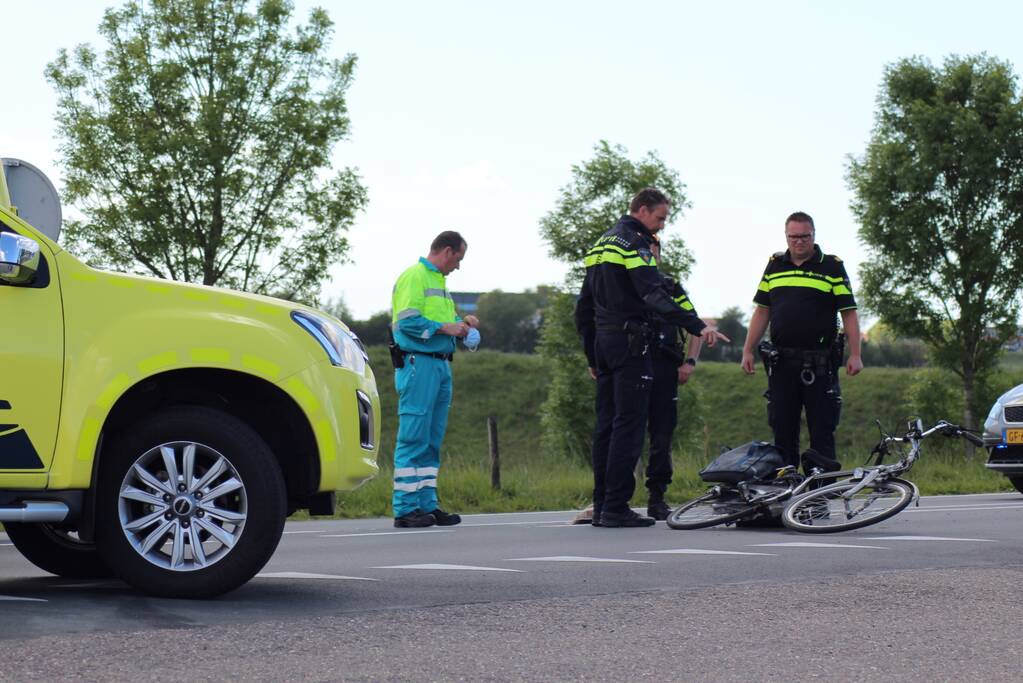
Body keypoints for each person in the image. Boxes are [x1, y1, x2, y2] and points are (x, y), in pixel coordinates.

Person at [575, 188, 727, 528]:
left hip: (604, 342)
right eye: (659, 218)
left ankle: (602, 505)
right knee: (628, 427)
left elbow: (583, 308)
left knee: (606, 427)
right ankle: (616, 506)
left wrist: (591, 354)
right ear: (642, 210)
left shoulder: (601, 245)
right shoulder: (634, 243)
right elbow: (652, 295)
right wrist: (697, 327)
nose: (660, 227)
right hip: (632, 345)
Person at [740, 211, 863, 476]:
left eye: (804, 236)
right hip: (781, 363)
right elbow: (762, 311)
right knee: (783, 431)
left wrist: (855, 354)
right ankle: (786, 499)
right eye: (793, 237)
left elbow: (849, 313)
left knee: (822, 432)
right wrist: (748, 349)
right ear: (786, 236)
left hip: (819, 364)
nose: (799, 242)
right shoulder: (775, 265)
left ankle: (819, 501)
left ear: (814, 235)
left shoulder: (831, 266)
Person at [389, 231, 479, 528]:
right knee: (414, 435)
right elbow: (408, 321)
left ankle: (427, 504)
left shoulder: (440, 283)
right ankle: (405, 508)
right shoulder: (415, 276)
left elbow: (446, 324)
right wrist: (446, 329)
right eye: (459, 259)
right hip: (419, 363)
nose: (458, 266)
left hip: (439, 365)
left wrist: (464, 325)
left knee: (431, 440)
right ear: (448, 251)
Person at [643, 236, 704, 520]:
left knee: (662, 435)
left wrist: (690, 361)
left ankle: (657, 497)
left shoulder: (669, 286)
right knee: (627, 433)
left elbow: (695, 324)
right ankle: (613, 496)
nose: (649, 253)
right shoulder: (625, 284)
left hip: (665, 366)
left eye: (653, 249)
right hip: (633, 363)